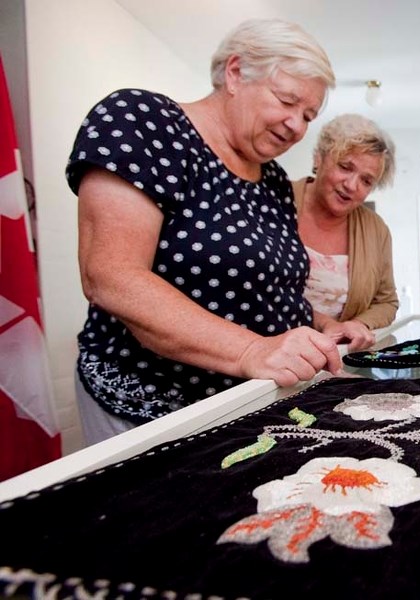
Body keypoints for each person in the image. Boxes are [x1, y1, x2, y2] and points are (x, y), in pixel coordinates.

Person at [66, 19, 343, 445]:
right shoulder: (144, 123)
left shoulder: (272, 180)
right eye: (287, 101)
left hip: (249, 405)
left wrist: (322, 325)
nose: (296, 126)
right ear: (235, 73)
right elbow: (111, 275)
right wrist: (253, 351)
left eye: (308, 115)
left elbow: (270, 286)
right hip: (157, 408)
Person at [291, 114, 398, 351]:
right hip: (267, 363)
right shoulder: (275, 201)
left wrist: (355, 325)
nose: (351, 185)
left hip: (337, 362)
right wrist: (326, 324)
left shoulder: (376, 230)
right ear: (319, 158)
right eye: (345, 167)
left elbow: (387, 301)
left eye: (366, 180)